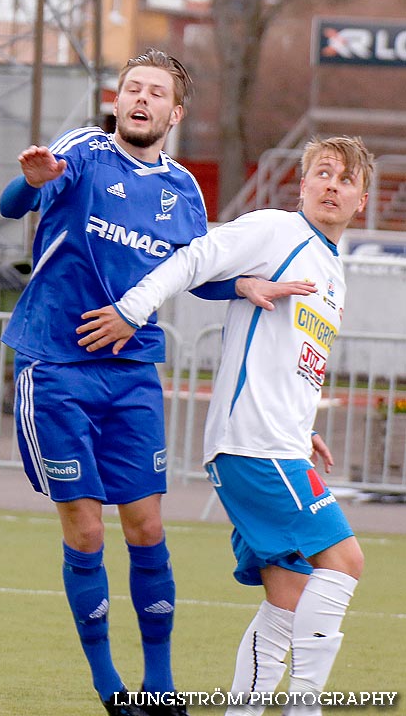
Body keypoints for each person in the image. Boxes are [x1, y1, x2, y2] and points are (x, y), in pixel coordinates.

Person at [76, 135, 374, 716]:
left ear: (362, 199)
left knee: (287, 599)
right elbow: (191, 260)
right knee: (346, 561)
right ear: (304, 182)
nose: (332, 185)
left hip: (280, 442)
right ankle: (305, 708)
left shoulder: (333, 272)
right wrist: (130, 312)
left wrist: (303, 423)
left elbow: (293, 360)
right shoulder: (276, 231)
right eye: (323, 173)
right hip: (255, 448)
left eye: (346, 179)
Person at [0, 49, 249, 716]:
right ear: (117, 100)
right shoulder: (82, 150)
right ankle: (111, 686)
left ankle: (161, 685)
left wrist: (248, 282)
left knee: (145, 525)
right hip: (55, 366)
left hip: (133, 375)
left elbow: (199, 270)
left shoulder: (185, 191)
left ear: (175, 112)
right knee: (85, 530)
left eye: (155, 92)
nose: (140, 98)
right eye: (132, 87)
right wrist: (31, 182)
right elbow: (11, 201)